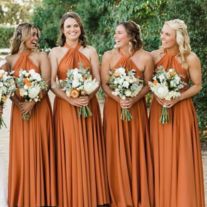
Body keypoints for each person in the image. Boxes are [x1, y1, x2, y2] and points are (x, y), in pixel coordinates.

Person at [49, 12, 109, 207]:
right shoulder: (55, 52)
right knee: (70, 147)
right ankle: (70, 194)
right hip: (65, 107)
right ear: (62, 30)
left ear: (80, 28)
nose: (72, 29)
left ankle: (91, 194)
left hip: (87, 104)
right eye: (68, 27)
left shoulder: (91, 50)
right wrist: (69, 99)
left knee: (88, 146)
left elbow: (98, 80)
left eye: (75, 26)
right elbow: (52, 83)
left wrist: (88, 96)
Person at [149, 19, 205, 207]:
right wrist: (157, 96)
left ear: (178, 38)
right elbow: (148, 82)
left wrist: (177, 98)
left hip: (181, 111)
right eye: (162, 33)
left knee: (182, 156)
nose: (162, 37)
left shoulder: (191, 58)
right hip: (159, 110)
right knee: (160, 154)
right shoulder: (154, 56)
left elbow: (198, 85)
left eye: (167, 34)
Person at [101, 20, 154, 207]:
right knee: (115, 149)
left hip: (136, 108)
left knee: (136, 147)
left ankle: (138, 193)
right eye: (115, 33)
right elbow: (104, 84)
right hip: (114, 109)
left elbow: (149, 84)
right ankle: (117, 195)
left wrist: (134, 98)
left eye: (119, 33)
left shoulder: (146, 57)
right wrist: (119, 100)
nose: (115, 36)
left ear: (131, 36)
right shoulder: (108, 56)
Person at [6, 23, 57, 207]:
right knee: (22, 152)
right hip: (19, 111)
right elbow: (5, 86)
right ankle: (23, 196)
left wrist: (32, 102)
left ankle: (43, 196)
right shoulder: (10, 59)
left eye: (37, 35)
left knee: (40, 148)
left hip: (40, 109)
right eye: (32, 35)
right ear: (22, 36)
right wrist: (18, 103)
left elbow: (46, 82)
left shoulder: (42, 56)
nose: (36, 38)